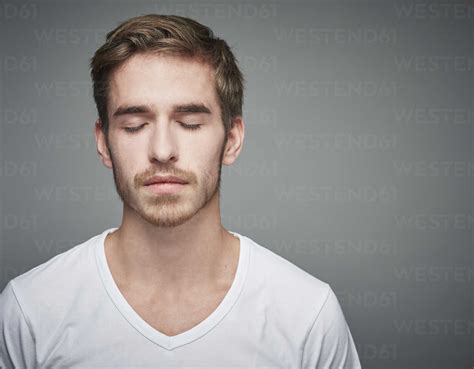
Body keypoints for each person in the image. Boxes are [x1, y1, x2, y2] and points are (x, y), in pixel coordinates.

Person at [0, 14, 361, 368]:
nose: (161, 150)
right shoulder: (30, 311)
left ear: (232, 140)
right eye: (134, 125)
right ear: (103, 143)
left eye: (189, 124)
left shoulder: (307, 316)